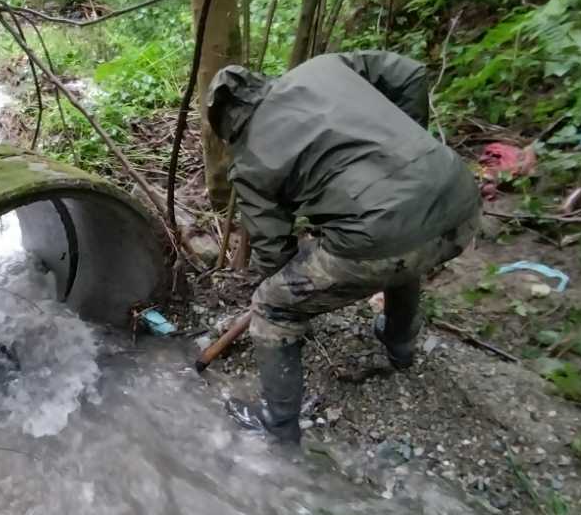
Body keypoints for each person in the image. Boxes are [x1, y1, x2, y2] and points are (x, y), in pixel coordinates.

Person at [206, 50, 481, 445]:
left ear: (225, 128)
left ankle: (277, 425)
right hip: (460, 200)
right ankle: (399, 343)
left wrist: (291, 285)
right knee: (401, 246)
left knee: (271, 305)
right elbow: (410, 73)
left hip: (386, 238)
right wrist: (407, 146)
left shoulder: (250, 160)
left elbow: (273, 254)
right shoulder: (325, 69)